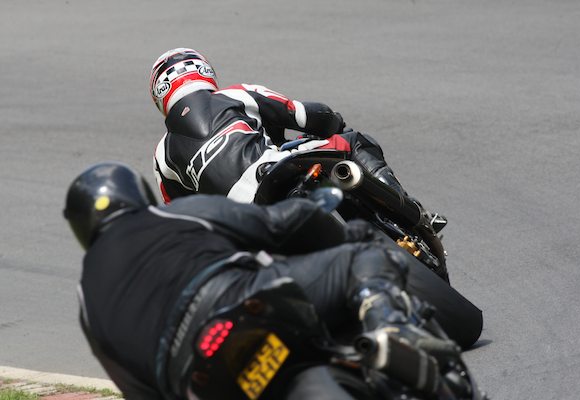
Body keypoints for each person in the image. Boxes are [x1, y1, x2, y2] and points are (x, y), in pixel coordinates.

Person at [64, 162, 481, 399]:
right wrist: (321, 214)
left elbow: (135, 388)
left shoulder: (86, 303)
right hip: (243, 301)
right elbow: (277, 224)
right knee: (362, 256)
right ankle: (389, 326)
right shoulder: (170, 214)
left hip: (195, 378)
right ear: (137, 195)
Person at [150, 48, 445, 231]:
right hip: (275, 170)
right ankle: (412, 214)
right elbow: (304, 115)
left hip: (241, 224)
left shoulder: (162, 156)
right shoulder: (235, 94)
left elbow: (183, 219)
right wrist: (333, 122)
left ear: (160, 95)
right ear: (204, 71)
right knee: (354, 141)